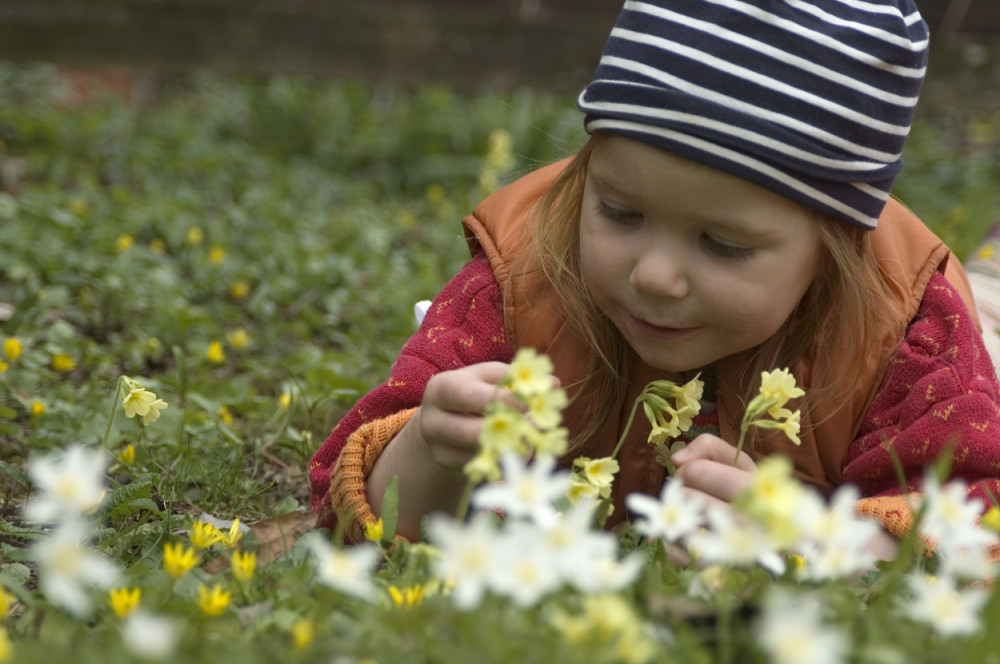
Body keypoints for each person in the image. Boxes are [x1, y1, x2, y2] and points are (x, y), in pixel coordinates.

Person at [309, 0, 1000, 549]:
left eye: (723, 245)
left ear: (837, 250)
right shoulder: (525, 272)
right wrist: (433, 448)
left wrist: (813, 544)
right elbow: (351, 507)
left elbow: (972, 518)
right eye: (619, 211)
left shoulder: (906, 325)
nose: (655, 276)